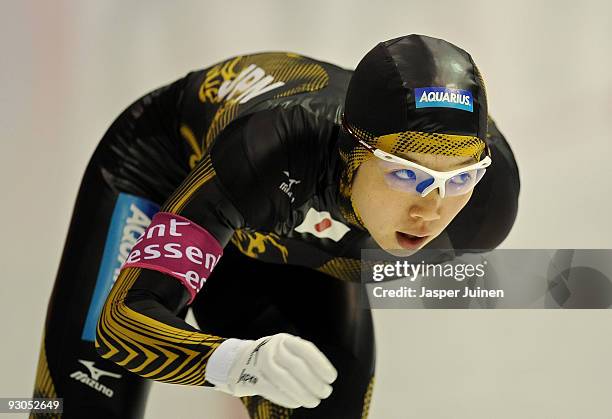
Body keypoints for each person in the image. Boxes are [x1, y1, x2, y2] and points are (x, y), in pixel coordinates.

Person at [31, 34, 520, 418]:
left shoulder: (484, 208)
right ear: (352, 150)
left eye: (458, 179)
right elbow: (123, 320)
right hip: (168, 172)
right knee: (82, 403)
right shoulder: (274, 149)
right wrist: (230, 363)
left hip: (287, 231)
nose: (429, 209)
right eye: (405, 173)